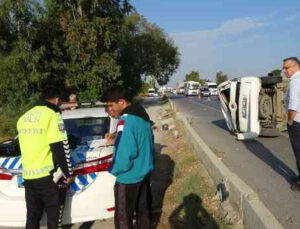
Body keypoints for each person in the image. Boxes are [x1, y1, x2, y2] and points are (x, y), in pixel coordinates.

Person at [17, 85, 73, 228]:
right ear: (56, 99)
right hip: (48, 176)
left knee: (32, 217)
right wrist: (68, 173)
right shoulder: (52, 115)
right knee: (54, 218)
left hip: (28, 176)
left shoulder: (23, 117)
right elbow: (59, 147)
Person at [103, 87, 154, 229]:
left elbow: (124, 153)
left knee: (123, 220)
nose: (110, 109)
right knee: (143, 214)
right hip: (143, 174)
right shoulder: (142, 118)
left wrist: (114, 168)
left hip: (128, 178)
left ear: (122, 102)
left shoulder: (126, 121)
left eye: (111, 105)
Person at [283, 57, 300, 191]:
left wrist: (289, 121)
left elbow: (293, 106)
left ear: (295, 67)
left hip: (297, 123)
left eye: (286, 68)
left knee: (298, 152)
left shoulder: (295, 81)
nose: (284, 71)